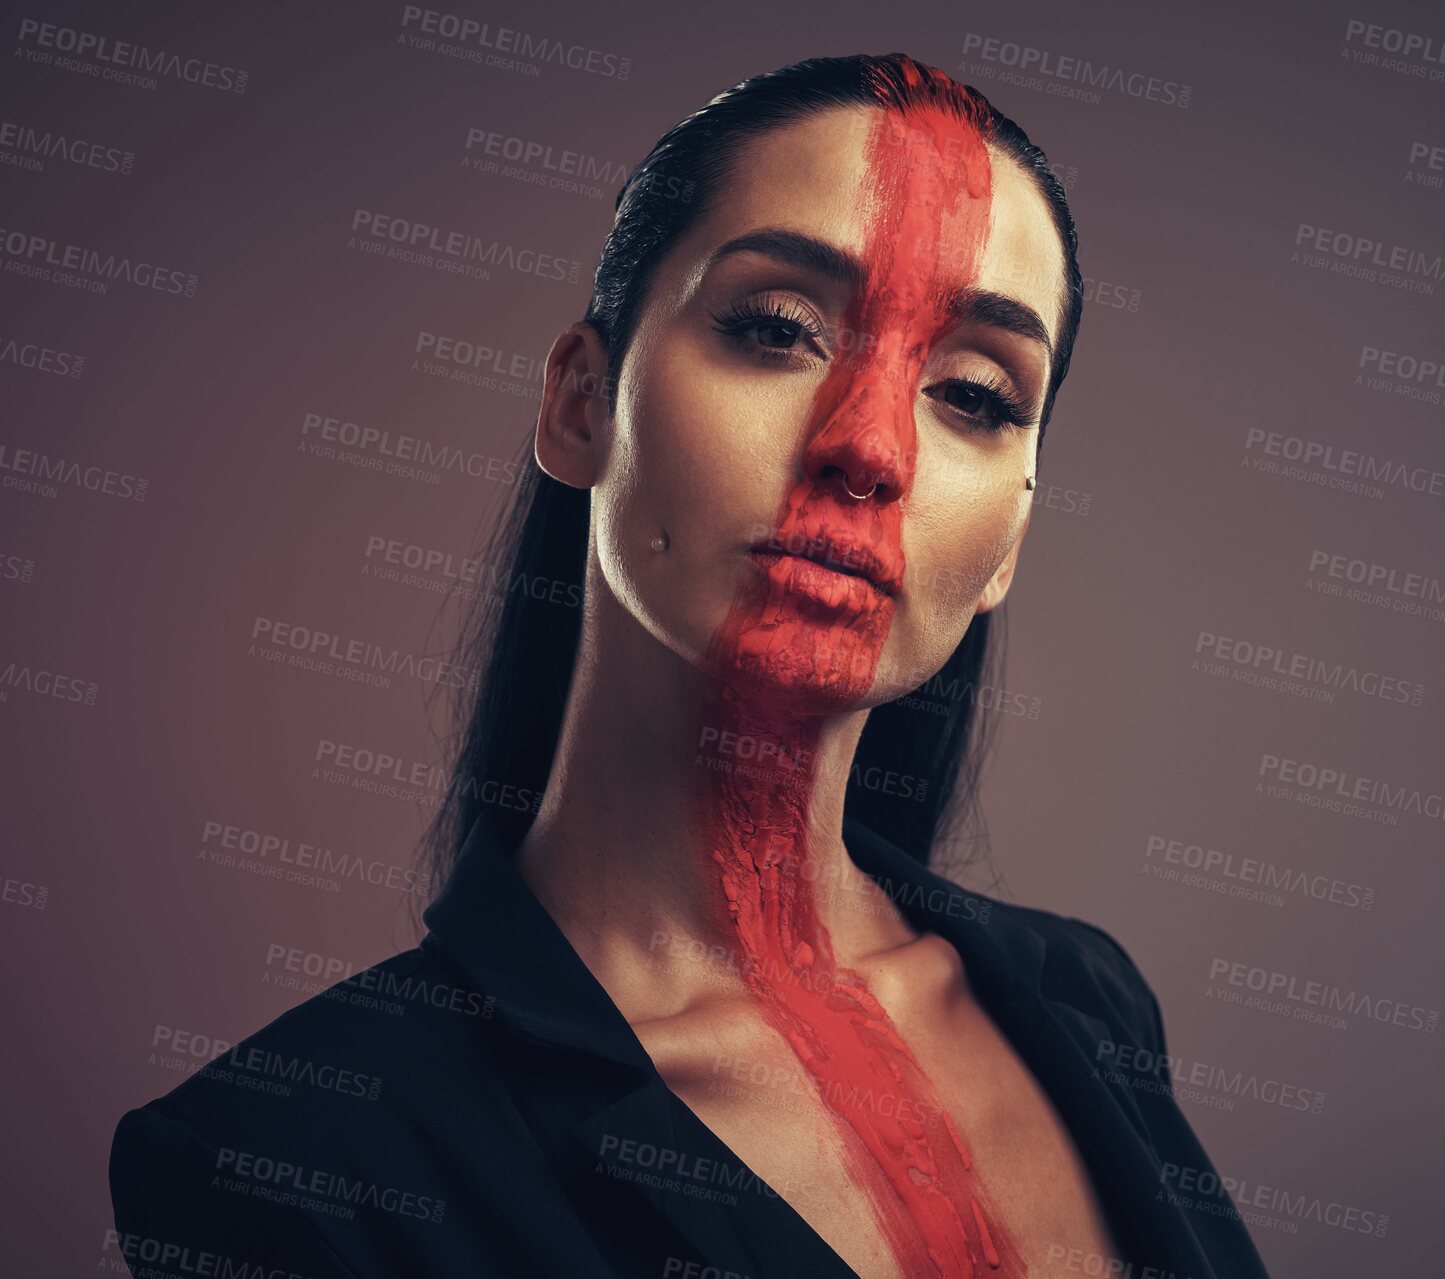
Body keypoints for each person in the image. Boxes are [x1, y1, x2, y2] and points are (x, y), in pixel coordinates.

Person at [109, 53, 1270, 1279]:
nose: (870, 449)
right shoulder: (290, 1161)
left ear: (1011, 540)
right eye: (776, 329)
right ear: (579, 403)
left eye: (976, 395)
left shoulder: (1087, 1003)